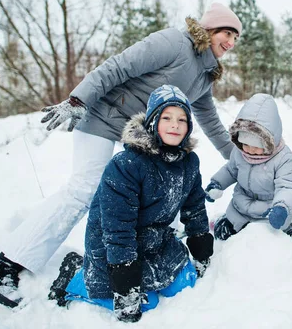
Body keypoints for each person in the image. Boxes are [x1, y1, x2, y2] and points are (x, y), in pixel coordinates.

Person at [0, 3, 241, 308]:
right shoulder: (174, 42)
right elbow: (119, 65)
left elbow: (211, 122)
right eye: (226, 33)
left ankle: (112, 256)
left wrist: (238, 159)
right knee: (84, 190)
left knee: (147, 189)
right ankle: (3, 265)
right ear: (208, 29)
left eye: (235, 37)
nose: (230, 42)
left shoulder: (204, 76)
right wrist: (79, 98)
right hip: (104, 116)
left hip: (143, 134)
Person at [47, 85, 213, 323]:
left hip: (153, 240)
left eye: (182, 119)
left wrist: (201, 245)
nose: (175, 125)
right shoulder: (127, 164)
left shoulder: (189, 163)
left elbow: (194, 205)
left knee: (184, 284)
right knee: (148, 304)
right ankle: (76, 277)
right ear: (152, 122)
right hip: (113, 246)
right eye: (166, 117)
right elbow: (117, 228)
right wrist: (125, 284)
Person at [205, 93, 292, 240]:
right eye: (245, 144)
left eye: (256, 146)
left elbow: (286, 187)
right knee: (222, 234)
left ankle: (287, 229)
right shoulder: (239, 152)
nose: (249, 150)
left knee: (272, 247)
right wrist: (217, 184)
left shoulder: (284, 159)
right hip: (240, 210)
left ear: (270, 142)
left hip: (269, 214)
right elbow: (230, 170)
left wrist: (281, 207)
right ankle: (221, 222)